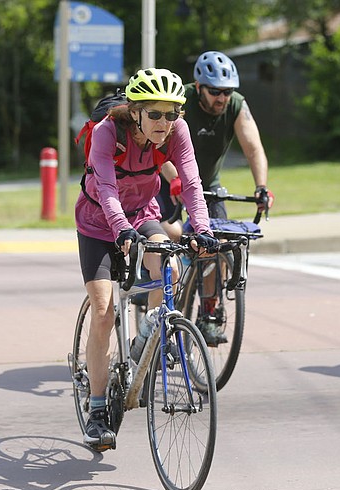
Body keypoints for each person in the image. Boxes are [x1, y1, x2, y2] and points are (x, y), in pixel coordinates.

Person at [76, 68, 218, 451]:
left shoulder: (176, 133)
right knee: (104, 311)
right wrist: (120, 229)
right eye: (155, 114)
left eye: (171, 114)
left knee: (167, 268)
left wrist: (201, 229)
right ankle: (98, 409)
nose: (164, 122)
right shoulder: (109, 132)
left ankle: (147, 338)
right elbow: (105, 187)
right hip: (98, 223)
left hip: (142, 214)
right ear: (135, 111)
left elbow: (190, 182)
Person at [158, 50, 273, 345]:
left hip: (207, 185)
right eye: (215, 91)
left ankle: (209, 312)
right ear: (199, 87)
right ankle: (157, 300)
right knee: (167, 237)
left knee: (218, 242)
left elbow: (254, 148)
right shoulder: (180, 100)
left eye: (227, 91)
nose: (222, 97)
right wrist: (175, 180)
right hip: (166, 179)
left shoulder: (236, 106)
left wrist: (261, 187)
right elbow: (158, 147)